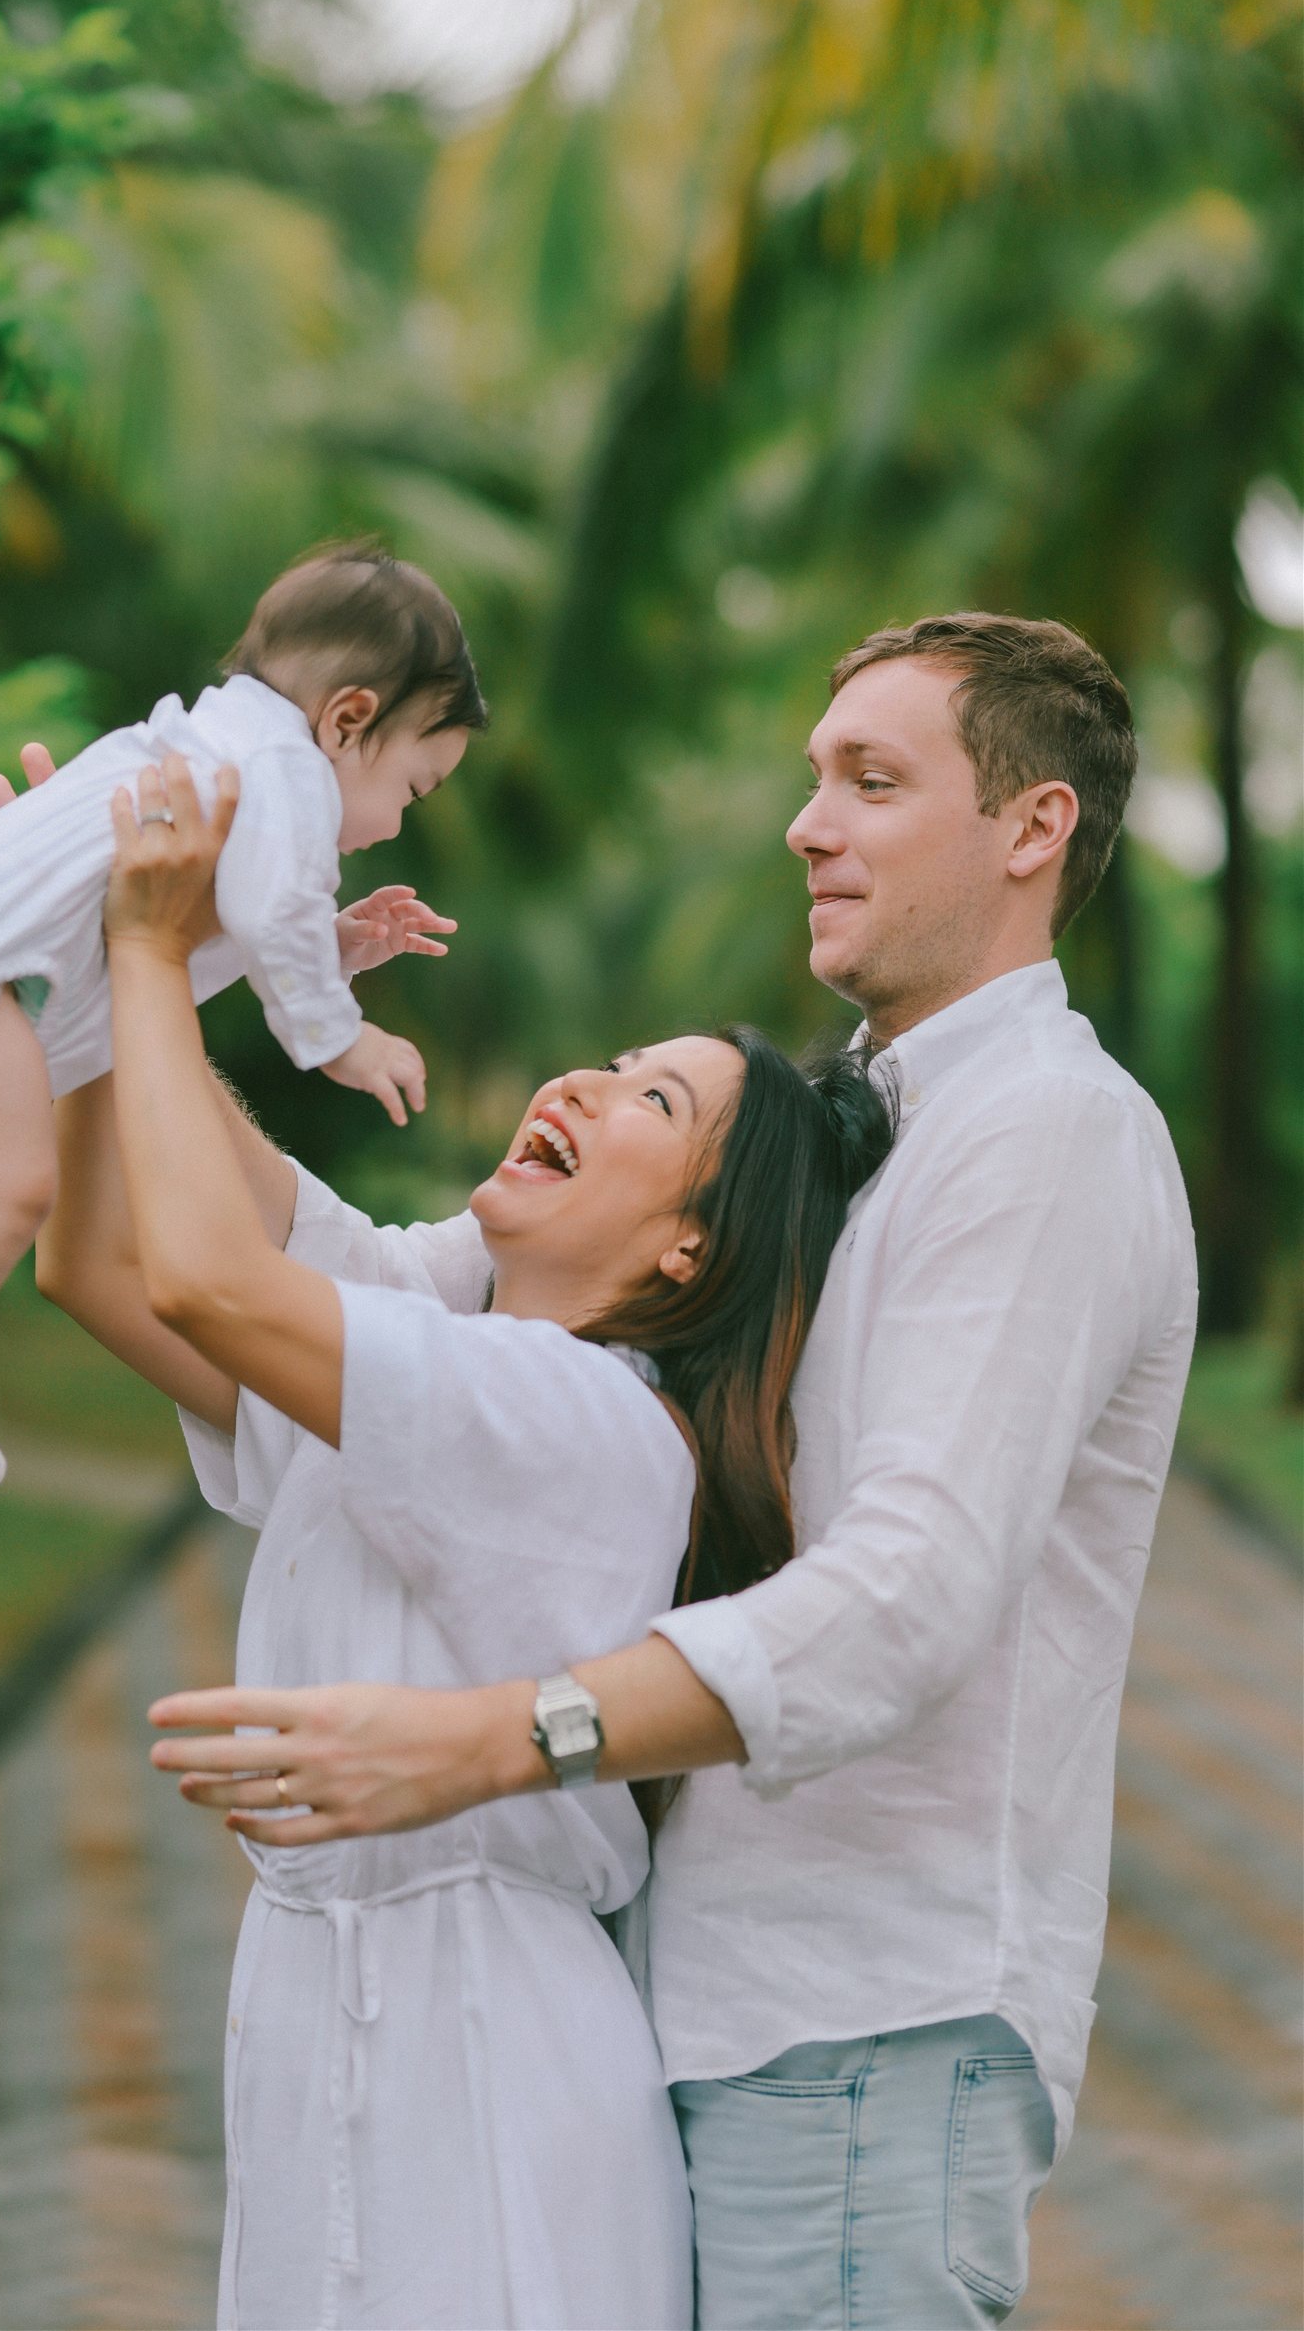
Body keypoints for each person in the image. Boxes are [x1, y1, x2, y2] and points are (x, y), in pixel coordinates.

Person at [148, 614, 1199, 2330]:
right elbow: (339, 1278)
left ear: (1033, 828)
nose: (810, 822)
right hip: (702, 2016)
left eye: (873, 778)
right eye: (814, 778)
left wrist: (485, 1738)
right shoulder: (840, 1138)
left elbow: (907, 1589)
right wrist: (145, 969)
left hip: (868, 2033)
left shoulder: (1046, 1135)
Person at [32, 749, 892, 2330]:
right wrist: (103, 959)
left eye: (653, 1099)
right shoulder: (420, 1353)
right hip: (323, 2009)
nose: (580, 1080)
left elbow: (211, 1278)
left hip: (481, 2048)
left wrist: (154, 955)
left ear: (692, 1241)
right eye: (616, 1057)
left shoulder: (581, 1420)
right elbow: (92, 1257)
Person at [0, 541, 482, 1487]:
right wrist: (342, 1036)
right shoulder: (285, 774)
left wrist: (335, 943)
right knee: (10, 1194)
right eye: (411, 788)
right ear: (348, 720)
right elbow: (264, 913)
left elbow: (210, 928)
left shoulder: (205, 746)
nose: (391, 825)